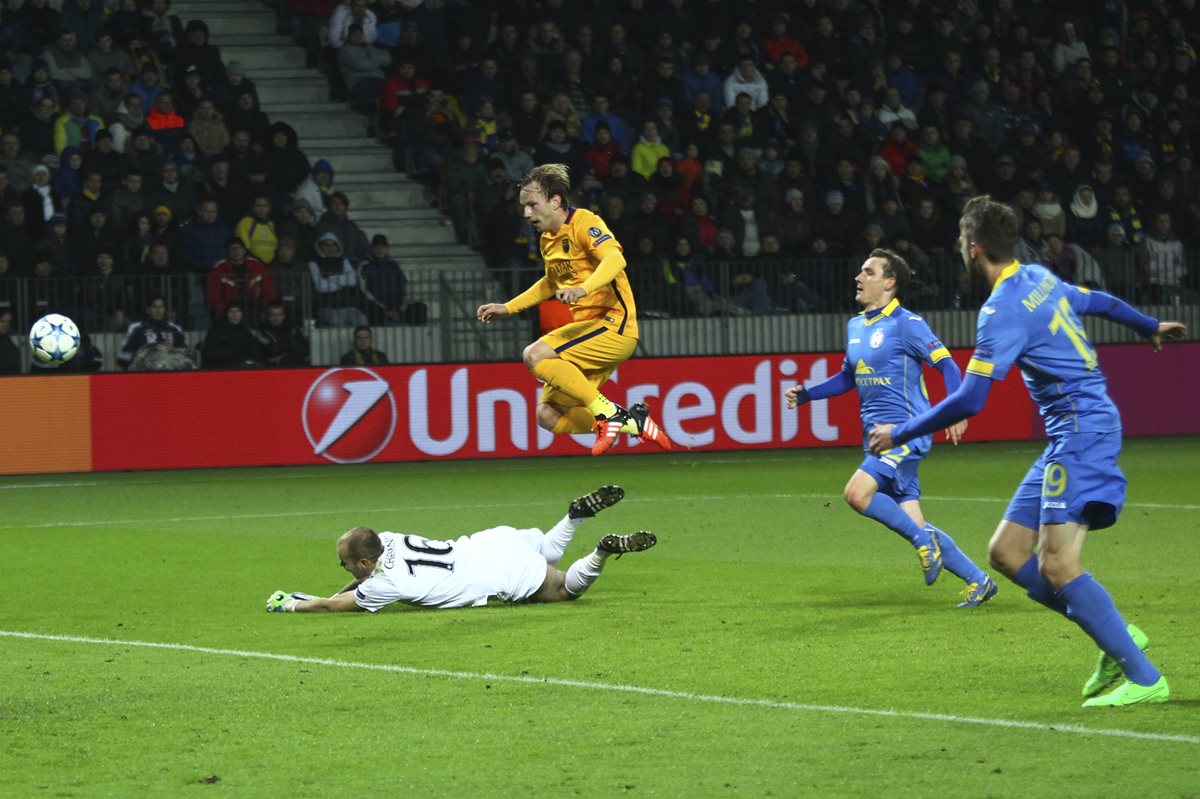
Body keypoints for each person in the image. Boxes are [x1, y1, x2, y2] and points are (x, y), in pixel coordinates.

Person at [868, 195, 1186, 707]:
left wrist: (899, 433)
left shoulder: (1001, 310)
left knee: (1058, 565)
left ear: (974, 250)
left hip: (1081, 431)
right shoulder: (1039, 277)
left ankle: (1146, 679)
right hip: (1074, 432)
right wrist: (1149, 326)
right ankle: (1115, 635)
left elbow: (972, 398)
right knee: (1007, 554)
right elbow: (1097, 301)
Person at [786, 248, 996, 603]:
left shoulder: (907, 324)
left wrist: (956, 410)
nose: (858, 277)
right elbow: (846, 378)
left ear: (889, 282)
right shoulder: (855, 325)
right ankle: (979, 580)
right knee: (914, 521)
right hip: (877, 438)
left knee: (856, 493)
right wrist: (808, 395)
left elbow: (946, 365)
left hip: (904, 431)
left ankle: (922, 543)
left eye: (868, 272)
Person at [475, 163, 672, 456]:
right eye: (523, 206)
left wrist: (585, 288)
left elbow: (615, 260)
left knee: (534, 354)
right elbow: (550, 283)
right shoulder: (546, 240)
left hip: (613, 324)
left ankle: (609, 413)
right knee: (548, 414)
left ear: (555, 201)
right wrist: (508, 307)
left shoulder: (586, 223)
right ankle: (631, 422)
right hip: (587, 331)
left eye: (532, 205)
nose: (526, 213)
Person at [265, 486, 656, 612]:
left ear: (365, 561)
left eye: (345, 564)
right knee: (546, 553)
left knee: (565, 590)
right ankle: (574, 518)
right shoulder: (389, 538)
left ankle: (602, 550)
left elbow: (335, 605)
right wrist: (337, 590)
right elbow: (357, 585)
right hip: (489, 543)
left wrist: (292, 603)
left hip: (493, 575)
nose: (345, 570)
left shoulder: (386, 584)